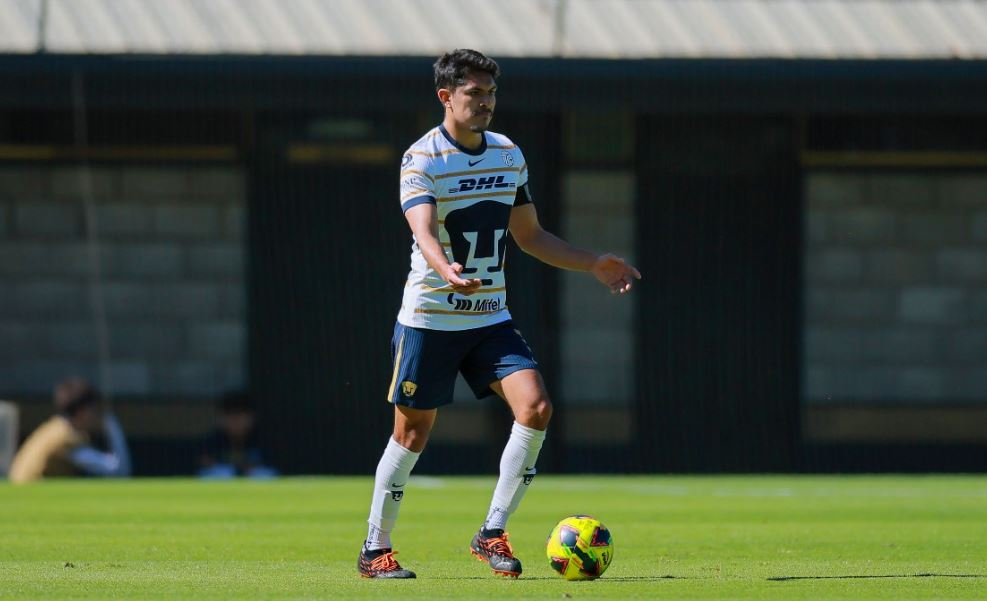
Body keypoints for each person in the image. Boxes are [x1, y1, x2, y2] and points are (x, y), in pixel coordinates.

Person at [358, 49, 641, 579]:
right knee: (411, 435)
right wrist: (444, 268)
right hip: (430, 318)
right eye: (475, 93)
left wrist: (592, 263)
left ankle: (491, 532)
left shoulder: (508, 154)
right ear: (446, 97)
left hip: (489, 318)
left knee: (535, 408)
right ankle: (375, 549)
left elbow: (530, 236)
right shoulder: (422, 158)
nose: (486, 102)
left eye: (491, 93)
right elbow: (422, 229)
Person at [9, 378, 130, 484]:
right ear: (83, 412)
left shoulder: (55, 428)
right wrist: (112, 426)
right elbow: (117, 471)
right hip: (33, 495)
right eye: (95, 411)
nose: (97, 416)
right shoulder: (66, 438)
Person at [198, 391, 276, 479]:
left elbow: (271, 466)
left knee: (261, 474)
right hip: (223, 481)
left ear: (251, 417)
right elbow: (205, 465)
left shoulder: (264, 440)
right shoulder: (211, 442)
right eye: (230, 416)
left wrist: (247, 467)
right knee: (221, 473)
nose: (235, 422)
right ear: (221, 418)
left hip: (254, 481)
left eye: (240, 416)